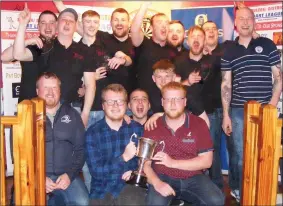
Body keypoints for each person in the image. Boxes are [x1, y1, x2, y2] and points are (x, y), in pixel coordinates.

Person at [221, 7, 282, 202]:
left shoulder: (268, 45)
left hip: (266, 109)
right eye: (241, 19)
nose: (245, 22)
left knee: (266, 153)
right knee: (240, 156)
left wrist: (271, 106)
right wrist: (226, 115)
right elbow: (226, 84)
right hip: (239, 110)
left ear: (255, 22)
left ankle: (263, 191)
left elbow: (279, 77)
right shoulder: (229, 50)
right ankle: (242, 192)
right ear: (236, 23)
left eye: (249, 18)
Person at [13, 5, 96, 127]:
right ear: (57, 25)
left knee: (73, 146)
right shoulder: (44, 45)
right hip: (45, 110)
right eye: (63, 19)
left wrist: (85, 114)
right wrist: (22, 25)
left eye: (71, 21)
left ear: (75, 26)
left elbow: (90, 85)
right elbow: (18, 54)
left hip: (73, 110)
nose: (67, 23)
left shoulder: (85, 51)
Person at [143, 82, 225, 205]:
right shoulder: (152, 126)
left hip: (193, 176)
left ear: (185, 102)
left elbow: (206, 162)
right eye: (168, 99)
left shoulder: (199, 124)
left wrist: (172, 163)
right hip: (163, 176)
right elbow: (145, 164)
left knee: (217, 200)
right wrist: (157, 183)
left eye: (177, 99)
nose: (172, 104)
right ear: (162, 102)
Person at [85, 84, 146, 205]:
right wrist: (123, 158)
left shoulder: (137, 129)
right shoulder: (92, 133)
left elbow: (145, 162)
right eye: (110, 102)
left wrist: (135, 173)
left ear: (126, 105)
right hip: (102, 188)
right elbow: (96, 172)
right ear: (103, 106)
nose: (115, 106)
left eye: (120, 101)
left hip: (130, 185)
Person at [36, 72, 88, 205]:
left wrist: (69, 176)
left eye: (54, 88)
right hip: (36, 175)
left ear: (60, 91)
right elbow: (20, 154)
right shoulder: (26, 115)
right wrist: (39, 177)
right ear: (37, 90)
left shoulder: (73, 114)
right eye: (45, 87)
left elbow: (81, 149)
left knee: (82, 202)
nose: (50, 92)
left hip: (65, 175)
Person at [1, 9, 57, 103]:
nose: (48, 26)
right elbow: (4, 57)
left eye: (51, 22)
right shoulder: (34, 45)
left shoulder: (61, 46)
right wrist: (26, 38)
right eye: (43, 23)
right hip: (28, 106)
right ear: (38, 26)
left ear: (57, 25)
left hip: (53, 106)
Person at [131, 2, 177, 98]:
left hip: (166, 102)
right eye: (160, 22)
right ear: (151, 28)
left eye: (166, 23)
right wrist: (144, 6)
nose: (164, 26)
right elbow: (135, 30)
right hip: (145, 103)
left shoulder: (173, 50)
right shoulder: (143, 43)